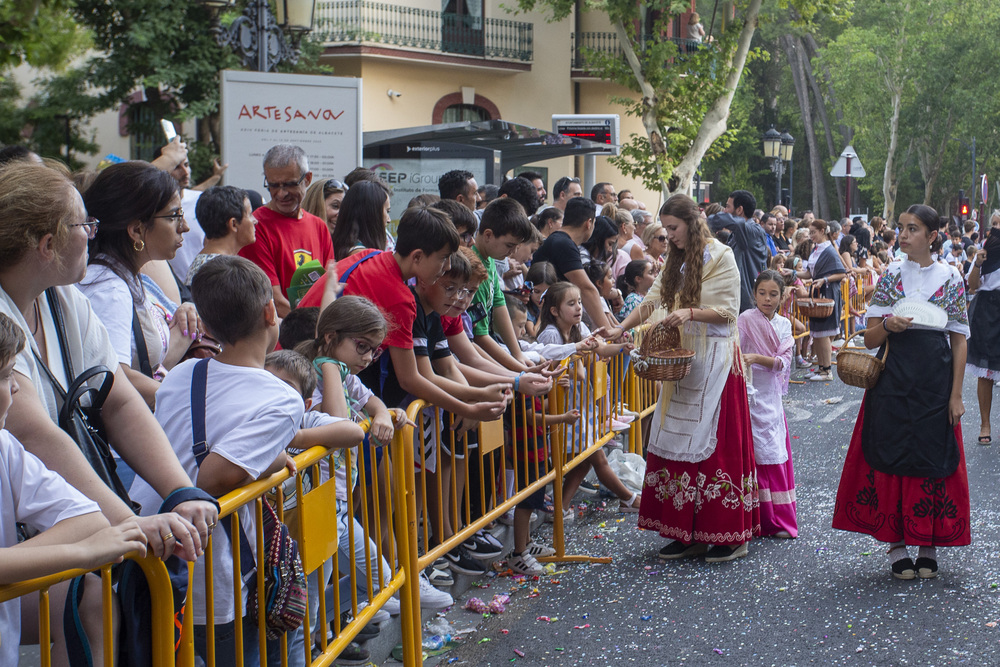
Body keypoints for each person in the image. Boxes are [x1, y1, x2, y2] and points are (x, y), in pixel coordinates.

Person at [0, 162, 216, 565]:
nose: (92, 234)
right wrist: (128, 526)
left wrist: (180, 491)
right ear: (48, 245)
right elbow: (35, 435)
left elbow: (118, 399)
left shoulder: (62, 297)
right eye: (86, 225)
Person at [129, 256, 303, 664]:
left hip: (150, 542)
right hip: (206, 565)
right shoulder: (281, 399)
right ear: (269, 312)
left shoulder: (184, 372)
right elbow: (212, 476)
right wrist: (272, 462)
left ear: (204, 326)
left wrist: (269, 458)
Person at [612, 194, 759, 563]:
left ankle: (729, 533)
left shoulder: (722, 256)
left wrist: (689, 312)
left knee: (715, 448)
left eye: (674, 229)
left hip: (718, 362)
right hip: (682, 360)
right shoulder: (675, 261)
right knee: (673, 441)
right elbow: (654, 298)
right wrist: (621, 328)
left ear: (692, 222)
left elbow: (728, 311)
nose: (670, 236)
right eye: (667, 230)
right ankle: (686, 532)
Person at [0, 312, 147, 667]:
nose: (16, 386)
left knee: (93, 599)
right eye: (5, 375)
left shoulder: (4, 446)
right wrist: (80, 553)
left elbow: (88, 517)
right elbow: (88, 537)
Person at [832, 204, 970, 580]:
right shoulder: (891, 273)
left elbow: (959, 341)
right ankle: (895, 544)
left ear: (932, 236)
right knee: (890, 452)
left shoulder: (952, 277)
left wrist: (957, 394)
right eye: (902, 228)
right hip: (894, 377)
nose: (903, 234)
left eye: (913, 229)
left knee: (931, 454)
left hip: (935, 379)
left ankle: (928, 543)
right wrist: (889, 325)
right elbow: (871, 336)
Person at [78, 161, 202, 405]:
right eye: (174, 216)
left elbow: (146, 362)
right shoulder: (108, 290)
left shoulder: (127, 277)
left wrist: (185, 314)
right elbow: (114, 378)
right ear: (136, 230)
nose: (184, 227)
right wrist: (194, 402)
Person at [535, 282, 639, 517]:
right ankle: (629, 498)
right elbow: (546, 365)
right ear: (554, 310)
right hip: (564, 405)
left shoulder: (578, 327)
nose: (579, 308)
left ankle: (559, 508)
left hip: (580, 404)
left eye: (579, 302)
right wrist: (573, 369)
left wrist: (623, 347)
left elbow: (600, 349)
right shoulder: (550, 333)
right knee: (595, 456)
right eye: (571, 304)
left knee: (582, 461)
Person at [238, 144, 335, 317]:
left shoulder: (319, 226)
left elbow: (328, 287)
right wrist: (318, 325)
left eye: (289, 184)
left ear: (307, 179)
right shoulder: (256, 226)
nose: (281, 194)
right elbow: (273, 301)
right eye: (273, 185)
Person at [737, 270, 797, 538]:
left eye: (773, 294)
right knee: (752, 457)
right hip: (748, 395)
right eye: (762, 293)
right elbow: (734, 352)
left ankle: (780, 520)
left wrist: (757, 358)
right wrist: (750, 359)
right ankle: (753, 519)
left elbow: (783, 363)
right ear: (754, 294)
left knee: (772, 456)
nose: (767, 299)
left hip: (771, 398)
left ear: (782, 297)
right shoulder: (745, 319)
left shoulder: (785, 325)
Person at [469, 198, 536, 369]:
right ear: (488, 235)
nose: (512, 252)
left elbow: (499, 303)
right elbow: (479, 336)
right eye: (509, 245)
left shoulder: (489, 259)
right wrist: (516, 369)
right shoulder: (475, 269)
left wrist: (517, 355)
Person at [532, 197, 616, 331]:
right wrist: (608, 331)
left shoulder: (561, 241)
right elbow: (587, 289)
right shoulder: (564, 244)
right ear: (589, 223)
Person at [792, 219, 846, 381]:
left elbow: (842, 273)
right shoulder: (817, 249)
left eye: (813, 232)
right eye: (810, 232)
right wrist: (792, 273)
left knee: (823, 334)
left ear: (823, 231)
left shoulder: (828, 250)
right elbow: (809, 274)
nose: (811, 236)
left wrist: (825, 280)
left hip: (827, 294)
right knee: (818, 333)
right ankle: (822, 368)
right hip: (818, 294)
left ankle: (826, 370)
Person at [966, 210, 1000, 444]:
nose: (997, 226)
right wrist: (977, 263)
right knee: (986, 372)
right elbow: (972, 286)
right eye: (995, 223)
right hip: (987, 310)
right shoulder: (983, 254)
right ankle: (985, 423)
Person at [708, 190, 769, 312]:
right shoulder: (738, 233)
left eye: (727, 206)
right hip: (739, 302)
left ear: (739, 210)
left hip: (749, 305)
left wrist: (700, 222)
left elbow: (720, 220)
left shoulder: (753, 231)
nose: (724, 211)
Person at [185, 185, 258, 285]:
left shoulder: (203, 265)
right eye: (249, 214)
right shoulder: (225, 272)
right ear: (233, 224)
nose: (255, 221)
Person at [332, 179, 392, 260]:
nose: (389, 220)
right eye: (387, 211)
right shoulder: (364, 257)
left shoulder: (337, 247)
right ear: (372, 214)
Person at [525, 261, 557, 339]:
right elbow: (533, 333)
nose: (541, 297)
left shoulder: (557, 305)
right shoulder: (526, 308)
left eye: (546, 292)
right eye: (536, 291)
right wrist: (542, 312)